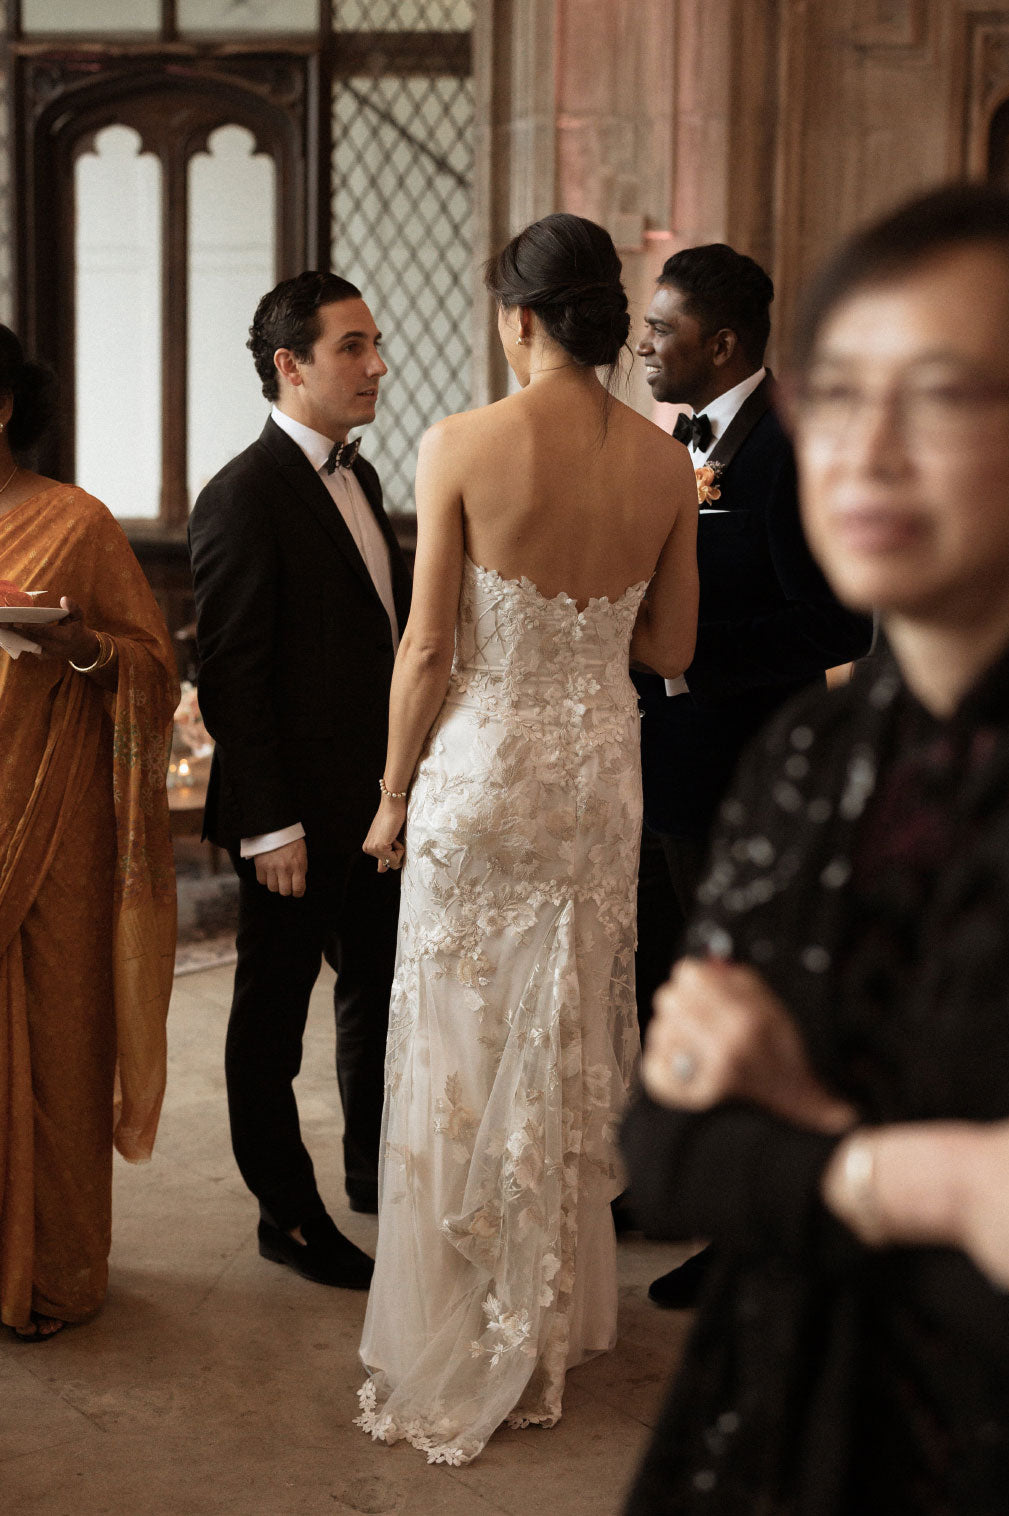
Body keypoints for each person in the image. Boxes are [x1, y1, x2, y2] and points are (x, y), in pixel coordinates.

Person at [623, 183, 1009, 1515]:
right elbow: (672, 1152)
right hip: (790, 1405)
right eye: (839, 396)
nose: (863, 452)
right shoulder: (813, 758)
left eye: (939, 396)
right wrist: (934, 1177)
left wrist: (811, 1143)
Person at [356, 212, 699, 1464]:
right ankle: (542, 1322)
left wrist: (393, 795)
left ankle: (459, 1320)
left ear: (519, 319)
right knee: (558, 1045)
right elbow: (672, 650)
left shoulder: (463, 442)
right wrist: (589, 644)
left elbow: (430, 647)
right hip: (599, 778)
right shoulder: (668, 466)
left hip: (484, 776)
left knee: (459, 1041)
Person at [634, 244, 873, 1308]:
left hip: (735, 769)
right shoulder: (675, 441)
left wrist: (691, 668)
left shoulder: (787, 446)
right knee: (659, 989)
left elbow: (835, 622)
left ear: (720, 344)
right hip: (657, 767)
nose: (645, 342)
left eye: (663, 328)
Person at [188, 272, 411, 1292]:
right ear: (291, 364)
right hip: (293, 821)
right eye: (352, 347)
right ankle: (289, 1214)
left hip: (372, 806)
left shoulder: (360, 480)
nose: (375, 365)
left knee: (378, 991)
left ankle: (373, 1180)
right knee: (270, 1021)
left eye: (374, 344)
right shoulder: (242, 494)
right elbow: (232, 671)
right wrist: (271, 826)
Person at [0, 325, 177, 1342]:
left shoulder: (76, 522)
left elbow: (152, 667)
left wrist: (75, 646)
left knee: (61, 1045)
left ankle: (55, 1269)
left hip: (55, 825)